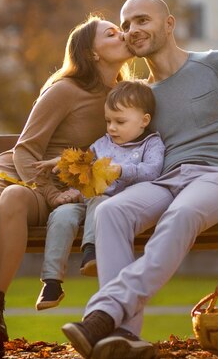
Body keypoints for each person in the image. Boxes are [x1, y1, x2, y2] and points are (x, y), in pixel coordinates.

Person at [61, 0, 218, 359]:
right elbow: (113, 144)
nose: (132, 30)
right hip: (165, 183)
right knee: (112, 213)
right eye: (126, 24)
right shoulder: (139, 98)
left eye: (142, 20)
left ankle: (104, 313)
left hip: (217, 178)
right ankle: (124, 335)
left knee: (182, 214)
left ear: (169, 24)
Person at [0, 14, 133, 357]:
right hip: (11, 172)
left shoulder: (124, 96)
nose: (123, 34)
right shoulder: (66, 90)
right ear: (91, 54)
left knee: (16, 198)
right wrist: (51, 193)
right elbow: (26, 150)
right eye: (112, 32)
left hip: (40, 191)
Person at [35, 80, 165, 311]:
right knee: (62, 215)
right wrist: (66, 167)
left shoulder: (150, 144)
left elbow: (153, 171)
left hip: (111, 207)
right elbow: (85, 169)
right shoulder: (101, 144)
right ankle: (51, 281)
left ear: (144, 120)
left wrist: (122, 170)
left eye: (120, 121)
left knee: (100, 201)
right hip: (86, 201)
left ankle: (91, 253)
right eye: (108, 121)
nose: (111, 128)